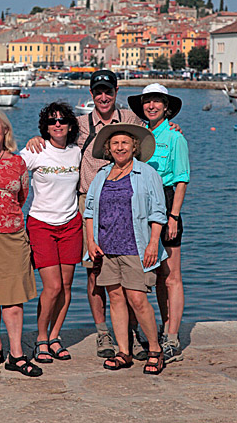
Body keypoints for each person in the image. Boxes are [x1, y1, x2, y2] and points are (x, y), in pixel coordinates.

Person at [26, 70, 146, 359]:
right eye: (98, 92)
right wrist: (34, 138)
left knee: (129, 267)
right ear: (91, 95)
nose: (103, 97)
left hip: (125, 202)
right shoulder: (77, 124)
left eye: (108, 91)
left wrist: (173, 127)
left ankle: (131, 330)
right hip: (86, 203)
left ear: (116, 92)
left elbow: (151, 140)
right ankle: (103, 331)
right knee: (94, 269)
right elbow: (52, 139)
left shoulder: (131, 119)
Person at [84, 123, 168, 374]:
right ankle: (124, 352)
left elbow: (158, 212)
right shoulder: (102, 175)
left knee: (137, 298)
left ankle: (155, 349)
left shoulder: (147, 173)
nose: (120, 147)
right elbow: (89, 212)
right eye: (115, 143)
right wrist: (91, 241)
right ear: (108, 148)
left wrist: (154, 242)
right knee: (116, 298)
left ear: (134, 146)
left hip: (136, 246)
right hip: (107, 247)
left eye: (125, 143)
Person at [0, 108, 42, 378]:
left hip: (14, 235)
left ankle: (16, 354)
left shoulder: (18, 163)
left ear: (5, 130)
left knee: (13, 298)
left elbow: (22, 196)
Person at [128, 84, 190, 363]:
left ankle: (172, 336)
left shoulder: (176, 138)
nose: (151, 106)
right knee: (145, 274)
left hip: (166, 205)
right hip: (139, 206)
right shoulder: (139, 135)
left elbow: (181, 180)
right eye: (147, 101)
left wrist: (174, 216)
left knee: (171, 275)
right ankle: (151, 332)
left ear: (166, 106)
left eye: (157, 102)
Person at [20, 101, 82, 363]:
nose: (58, 124)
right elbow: (8, 168)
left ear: (70, 126)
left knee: (66, 287)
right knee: (52, 287)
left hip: (71, 224)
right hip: (41, 225)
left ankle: (55, 336)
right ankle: (41, 338)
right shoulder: (36, 150)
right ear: (45, 127)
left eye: (62, 120)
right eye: (52, 121)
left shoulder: (77, 152)